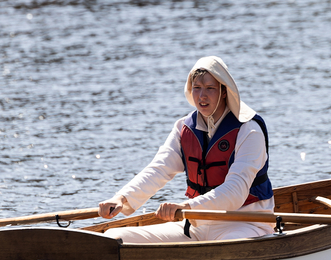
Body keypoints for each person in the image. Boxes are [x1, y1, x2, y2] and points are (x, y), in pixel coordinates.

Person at [98, 56, 274, 243]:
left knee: (222, 248)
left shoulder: (249, 130)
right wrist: (122, 198)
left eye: (210, 88)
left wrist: (187, 207)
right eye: (197, 88)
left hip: (246, 224)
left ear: (224, 91)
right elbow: (158, 169)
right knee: (115, 238)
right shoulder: (184, 128)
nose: (202, 96)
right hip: (197, 225)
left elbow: (236, 190)